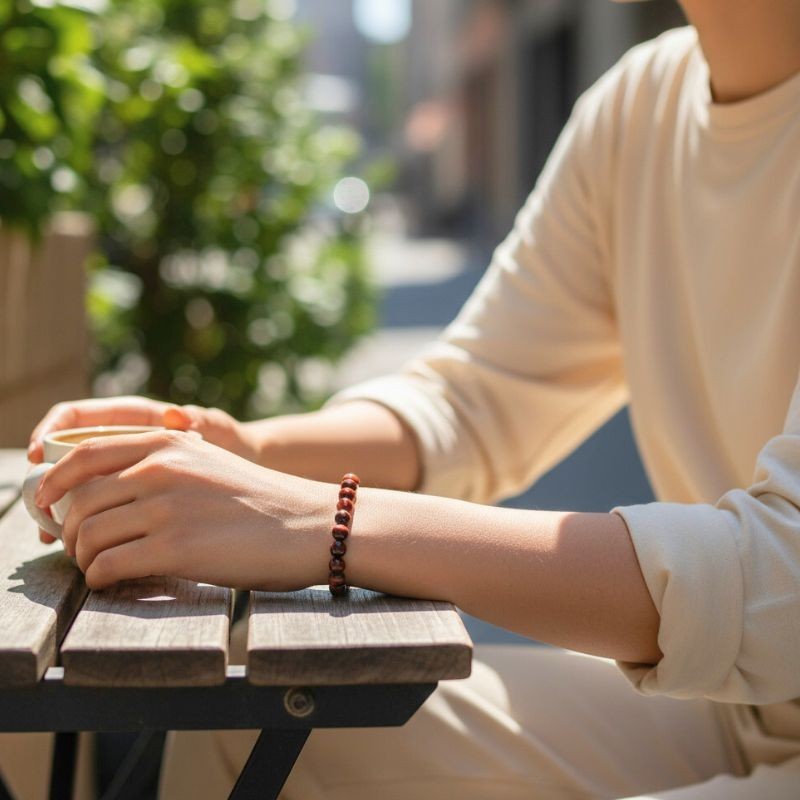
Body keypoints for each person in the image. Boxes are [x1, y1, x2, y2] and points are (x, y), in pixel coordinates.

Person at [5, 0, 800, 796]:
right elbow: (472, 399)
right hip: (742, 709)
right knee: (251, 729)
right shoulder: (643, 104)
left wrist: (322, 521)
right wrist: (235, 452)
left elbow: (782, 575)